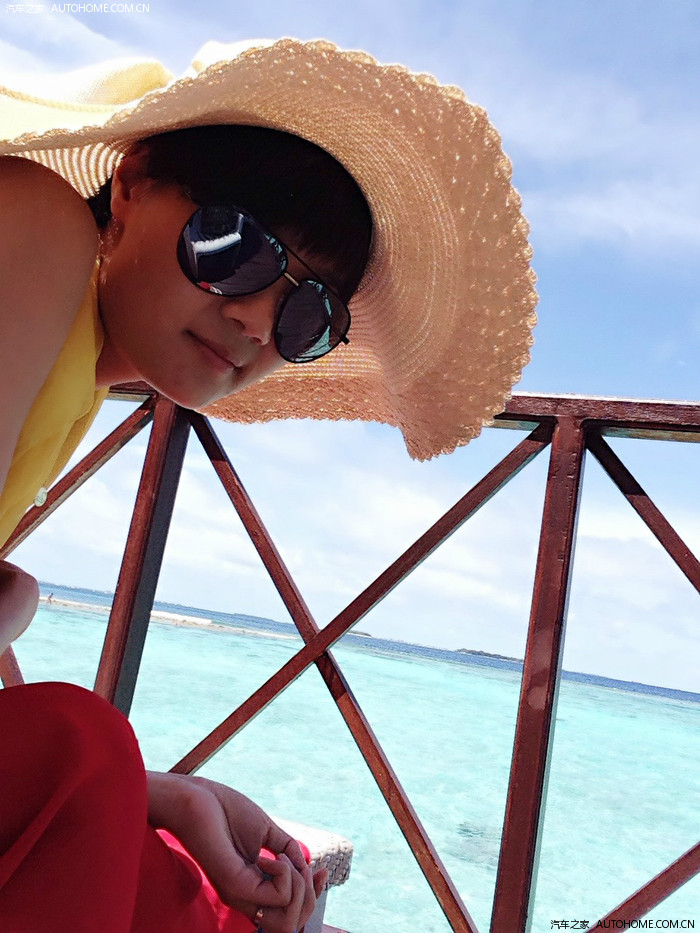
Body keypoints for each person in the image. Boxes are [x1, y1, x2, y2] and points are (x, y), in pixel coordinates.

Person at [0, 38, 538, 932]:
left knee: (195, 890)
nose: (257, 320)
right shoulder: (37, 225)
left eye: (308, 312)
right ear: (129, 185)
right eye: (235, 246)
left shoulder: (73, 365)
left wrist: (167, 793)